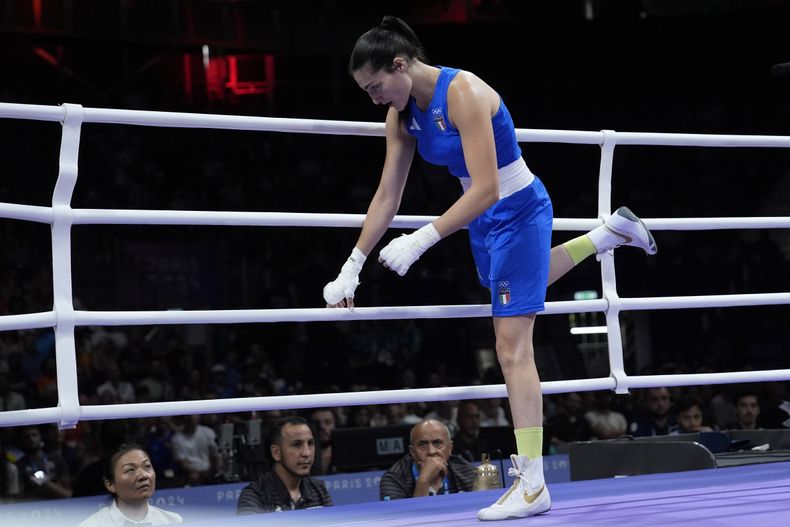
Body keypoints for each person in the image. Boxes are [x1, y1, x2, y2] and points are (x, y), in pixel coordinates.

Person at [324, 15, 657, 520]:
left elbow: (488, 188)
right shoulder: (401, 115)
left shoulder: (465, 93)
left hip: (515, 206)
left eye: (375, 86)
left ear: (400, 65)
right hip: (480, 218)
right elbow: (387, 194)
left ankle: (532, 482)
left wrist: (422, 239)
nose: (372, 99)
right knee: (523, 285)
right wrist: (353, 264)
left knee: (511, 343)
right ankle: (609, 233)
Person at [237, 416, 332, 515]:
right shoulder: (255, 495)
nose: (307, 453)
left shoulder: (319, 489)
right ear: (276, 452)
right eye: (296, 445)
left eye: (310, 443)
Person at [78, 443, 182, 526]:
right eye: (130, 470)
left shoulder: (173, 521)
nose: (143, 475)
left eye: (147, 466)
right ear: (110, 485)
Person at [379, 419, 475, 500]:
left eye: (437, 443)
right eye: (423, 445)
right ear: (412, 452)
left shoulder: (466, 471)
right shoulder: (394, 479)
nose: (431, 451)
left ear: (450, 448)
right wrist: (424, 480)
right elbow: (402, 520)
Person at [308, 408, 337, 474]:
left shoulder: (344, 450)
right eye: (316, 423)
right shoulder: (302, 452)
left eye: (328, 422)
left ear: (335, 424)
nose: (322, 427)